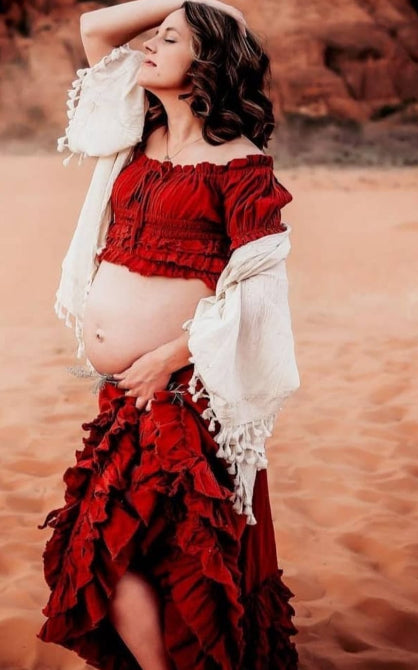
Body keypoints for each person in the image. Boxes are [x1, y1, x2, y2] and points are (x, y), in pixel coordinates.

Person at [38, 1, 301, 668]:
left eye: (170, 39)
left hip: (182, 396)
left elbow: (258, 293)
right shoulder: (131, 133)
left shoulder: (240, 166)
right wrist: (187, 1)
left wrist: (169, 356)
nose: (148, 46)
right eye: (153, 36)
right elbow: (96, 28)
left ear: (206, 62)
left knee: (163, 558)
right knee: (101, 551)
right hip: (126, 392)